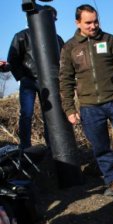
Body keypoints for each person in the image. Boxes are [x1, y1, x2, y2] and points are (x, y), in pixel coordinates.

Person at [59, 4, 113, 196]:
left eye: (96, 21)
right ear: (77, 22)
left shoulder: (110, 40)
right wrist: (69, 109)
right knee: (101, 148)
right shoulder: (69, 47)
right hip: (89, 108)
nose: (93, 26)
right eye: (88, 22)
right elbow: (65, 80)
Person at [7, 5, 64, 150]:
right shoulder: (21, 35)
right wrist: (22, 78)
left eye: (54, 18)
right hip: (29, 81)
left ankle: (52, 146)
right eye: (50, 17)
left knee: (50, 115)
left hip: (49, 82)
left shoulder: (57, 39)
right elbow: (13, 59)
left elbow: (63, 60)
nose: (52, 20)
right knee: (26, 113)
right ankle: (25, 146)